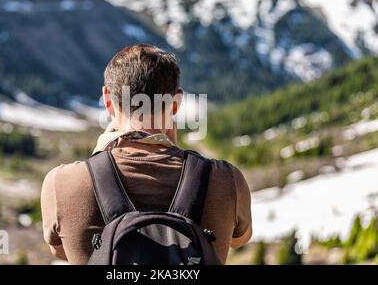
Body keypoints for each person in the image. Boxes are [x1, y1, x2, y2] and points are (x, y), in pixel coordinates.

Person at [41, 44, 252, 264]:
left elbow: (61, 250)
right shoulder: (225, 179)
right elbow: (238, 239)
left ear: (107, 100)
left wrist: (98, 160)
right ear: (175, 104)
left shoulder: (62, 182)